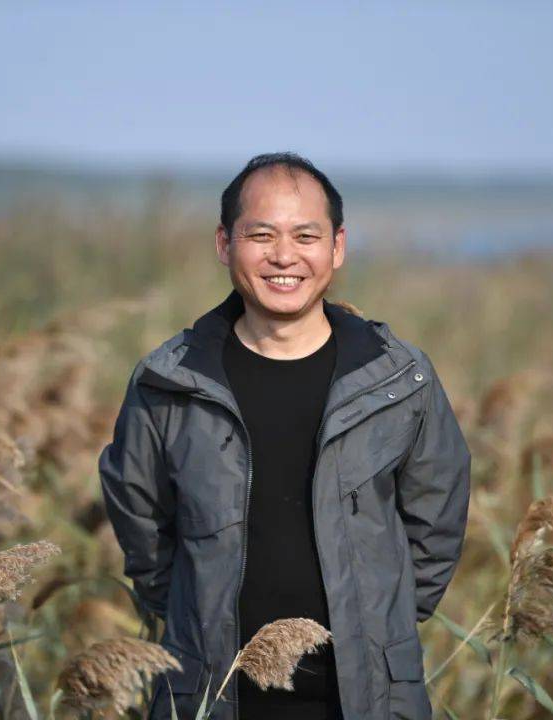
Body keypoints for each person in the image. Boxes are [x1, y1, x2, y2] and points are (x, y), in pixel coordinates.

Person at [99, 152, 471, 720]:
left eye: (305, 235)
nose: (284, 256)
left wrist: (379, 621)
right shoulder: (170, 382)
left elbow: (436, 521)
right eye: (261, 235)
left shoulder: (398, 380)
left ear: (337, 247)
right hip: (213, 695)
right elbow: (142, 527)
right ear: (225, 245)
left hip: (367, 700)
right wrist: (194, 616)